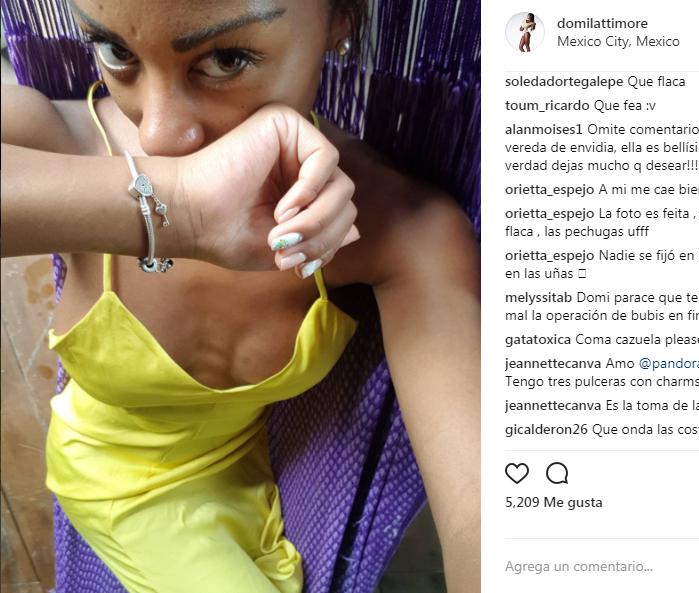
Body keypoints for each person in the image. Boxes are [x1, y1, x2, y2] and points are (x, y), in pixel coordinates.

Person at [0, 1, 480, 592]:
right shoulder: (59, 142)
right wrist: (178, 207)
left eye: (227, 59)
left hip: (246, 469)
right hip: (117, 480)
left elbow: (482, 507)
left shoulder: (400, 229)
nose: (156, 135)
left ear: (340, 20)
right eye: (116, 51)